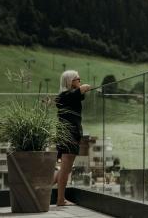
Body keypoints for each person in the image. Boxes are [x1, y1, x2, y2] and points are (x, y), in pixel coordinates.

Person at [53, 70, 91, 206]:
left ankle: (43, 188)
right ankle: (60, 199)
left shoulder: (68, 97)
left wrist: (81, 90)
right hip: (69, 134)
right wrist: (83, 87)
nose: (80, 80)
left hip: (70, 134)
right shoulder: (65, 96)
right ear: (70, 82)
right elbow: (82, 90)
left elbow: (80, 95)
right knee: (65, 168)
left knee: (66, 168)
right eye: (77, 78)